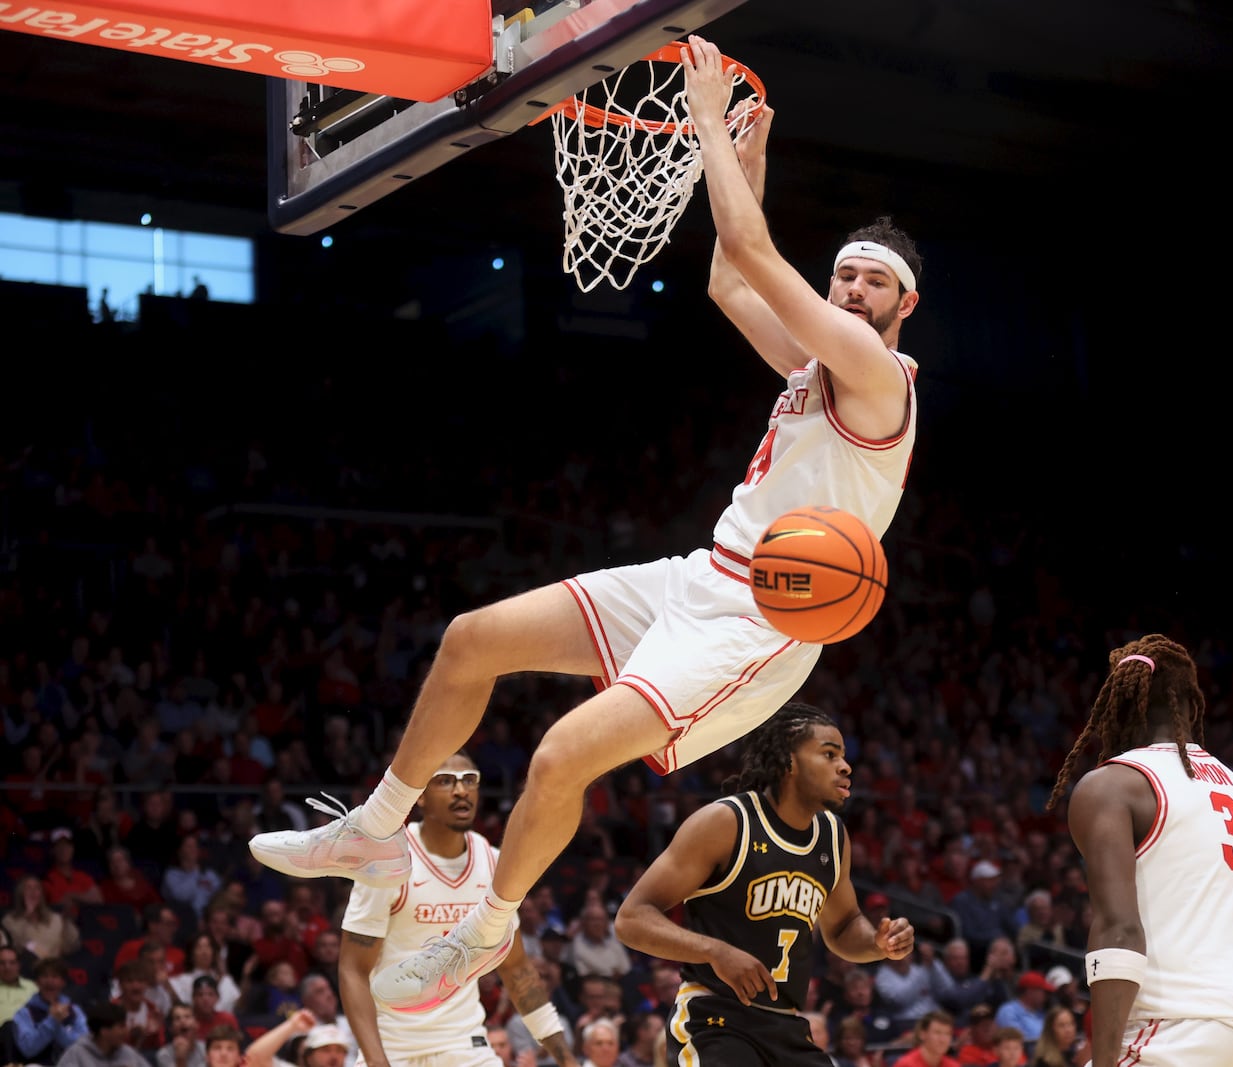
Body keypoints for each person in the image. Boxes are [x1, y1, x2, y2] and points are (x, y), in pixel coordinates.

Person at [248, 29, 924, 1018]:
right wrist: (746, 160)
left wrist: (698, 124)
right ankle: (376, 821)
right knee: (471, 639)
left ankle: (484, 929)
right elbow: (731, 282)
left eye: (871, 282)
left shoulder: (873, 372)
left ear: (906, 304)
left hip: (761, 624)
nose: (851, 290)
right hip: (706, 572)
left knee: (561, 751)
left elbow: (747, 251)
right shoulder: (815, 365)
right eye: (844, 276)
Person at [1053, 635, 1233, 1066]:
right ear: (1189, 705)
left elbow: (1119, 930)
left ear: (1118, 704)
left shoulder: (1112, 785)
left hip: (1175, 1033)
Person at [612, 703, 917, 1065]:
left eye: (844, 756)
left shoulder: (833, 837)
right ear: (789, 762)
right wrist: (715, 951)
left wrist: (879, 943)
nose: (845, 766)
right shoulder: (726, 823)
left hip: (786, 1025)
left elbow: (844, 926)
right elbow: (631, 919)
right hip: (716, 1019)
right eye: (829, 754)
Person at [337, 752, 578, 1067]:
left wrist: (567, 1059)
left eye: (470, 780)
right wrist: (377, 1061)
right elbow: (352, 970)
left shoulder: (494, 862)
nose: (461, 790)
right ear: (419, 795)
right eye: (445, 781)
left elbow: (515, 967)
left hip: (468, 1048)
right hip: (394, 1050)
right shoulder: (387, 861)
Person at [13, 956, 89, 1064]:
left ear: (63, 982)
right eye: (44, 976)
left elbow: (84, 1047)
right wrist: (52, 1021)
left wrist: (58, 1027)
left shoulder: (75, 1011)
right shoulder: (24, 1013)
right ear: (37, 982)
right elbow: (28, 1049)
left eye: (55, 976)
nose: (50, 981)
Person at [56, 1000, 145, 1067]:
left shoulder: (127, 1052)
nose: (126, 1030)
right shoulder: (76, 1054)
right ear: (104, 1031)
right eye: (121, 1026)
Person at [891, 1009, 958, 1067]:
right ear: (922, 1034)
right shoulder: (906, 1065)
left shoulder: (953, 1065)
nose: (943, 1039)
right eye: (937, 1033)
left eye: (947, 1034)